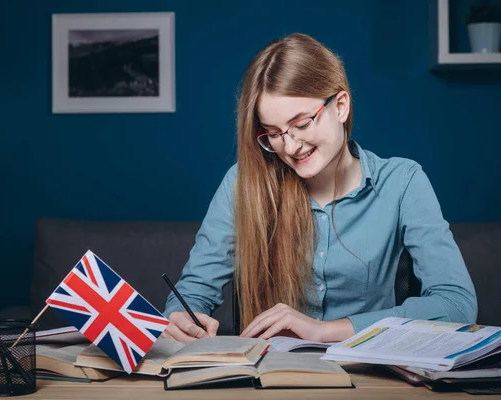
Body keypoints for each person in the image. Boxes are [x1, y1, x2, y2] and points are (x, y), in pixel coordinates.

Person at [162, 33, 477, 344]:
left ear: (340, 106)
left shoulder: (402, 181)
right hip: (268, 381)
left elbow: (457, 305)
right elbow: (192, 293)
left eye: (301, 124)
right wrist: (181, 316)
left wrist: (324, 331)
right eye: (273, 133)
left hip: (370, 380)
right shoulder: (242, 184)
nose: (290, 145)